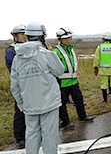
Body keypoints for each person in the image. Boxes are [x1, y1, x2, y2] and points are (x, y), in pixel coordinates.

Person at [10, 21, 65, 154]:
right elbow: (59, 71)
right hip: (49, 103)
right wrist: (51, 52)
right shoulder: (46, 54)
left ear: (27, 36)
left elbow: (15, 85)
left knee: (31, 135)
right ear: (41, 37)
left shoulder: (17, 58)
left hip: (29, 105)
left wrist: (21, 104)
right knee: (49, 136)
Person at [53, 27, 94, 129]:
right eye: (66, 38)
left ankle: (82, 116)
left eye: (69, 38)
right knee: (62, 103)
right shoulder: (56, 51)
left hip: (73, 80)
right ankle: (65, 121)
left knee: (79, 99)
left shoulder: (71, 49)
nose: (68, 40)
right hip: (62, 82)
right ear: (60, 39)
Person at [5, 24, 27, 149]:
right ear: (14, 36)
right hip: (20, 85)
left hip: (31, 85)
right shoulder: (11, 50)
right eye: (22, 34)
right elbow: (14, 66)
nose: (25, 37)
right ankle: (20, 138)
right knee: (20, 112)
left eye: (26, 34)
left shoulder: (29, 47)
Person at [93, 32, 111, 102]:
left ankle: (105, 99)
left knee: (104, 84)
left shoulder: (100, 47)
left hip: (103, 70)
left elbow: (97, 58)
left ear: (103, 39)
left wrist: (95, 67)